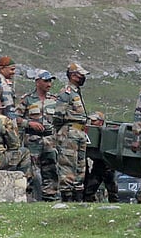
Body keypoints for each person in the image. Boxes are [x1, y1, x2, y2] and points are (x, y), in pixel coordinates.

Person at [16, 69, 59, 201]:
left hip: (50, 141)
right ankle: (32, 197)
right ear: (37, 82)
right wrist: (29, 123)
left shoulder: (54, 100)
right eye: (46, 81)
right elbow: (15, 118)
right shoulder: (27, 99)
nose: (49, 84)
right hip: (33, 141)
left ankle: (50, 197)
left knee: (51, 170)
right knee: (32, 171)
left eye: (50, 81)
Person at [53, 62, 89, 202]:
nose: (83, 78)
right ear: (73, 76)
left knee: (80, 166)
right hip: (69, 132)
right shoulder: (66, 92)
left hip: (80, 132)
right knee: (68, 165)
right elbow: (58, 115)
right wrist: (60, 131)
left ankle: (78, 198)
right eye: (81, 75)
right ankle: (67, 198)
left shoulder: (76, 92)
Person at [84, 112, 118, 202]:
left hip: (108, 164)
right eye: (91, 120)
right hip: (98, 163)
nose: (91, 122)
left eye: (94, 121)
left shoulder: (110, 130)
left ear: (101, 122)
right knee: (90, 189)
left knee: (112, 189)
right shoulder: (91, 130)